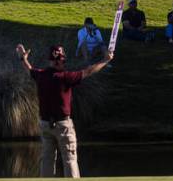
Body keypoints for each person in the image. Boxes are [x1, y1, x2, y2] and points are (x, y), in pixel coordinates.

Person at [14, 41, 111, 179]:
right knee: (69, 159)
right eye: (61, 61)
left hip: (45, 125)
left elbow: (29, 69)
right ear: (58, 62)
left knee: (47, 159)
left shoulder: (41, 75)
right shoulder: (65, 77)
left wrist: (22, 58)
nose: (63, 63)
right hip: (63, 126)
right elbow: (89, 71)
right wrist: (105, 60)